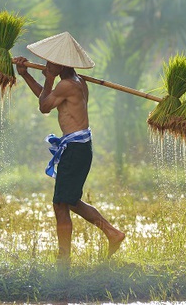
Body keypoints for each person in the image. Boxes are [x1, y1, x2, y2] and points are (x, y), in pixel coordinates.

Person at [13, 31, 125, 268]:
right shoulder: (77, 82)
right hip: (77, 147)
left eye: (50, 62)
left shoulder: (67, 84)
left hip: (76, 148)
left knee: (61, 204)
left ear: (61, 64)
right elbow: (49, 101)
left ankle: (65, 259)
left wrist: (49, 78)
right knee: (70, 200)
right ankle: (111, 233)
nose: (46, 65)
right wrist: (25, 75)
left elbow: (44, 106)